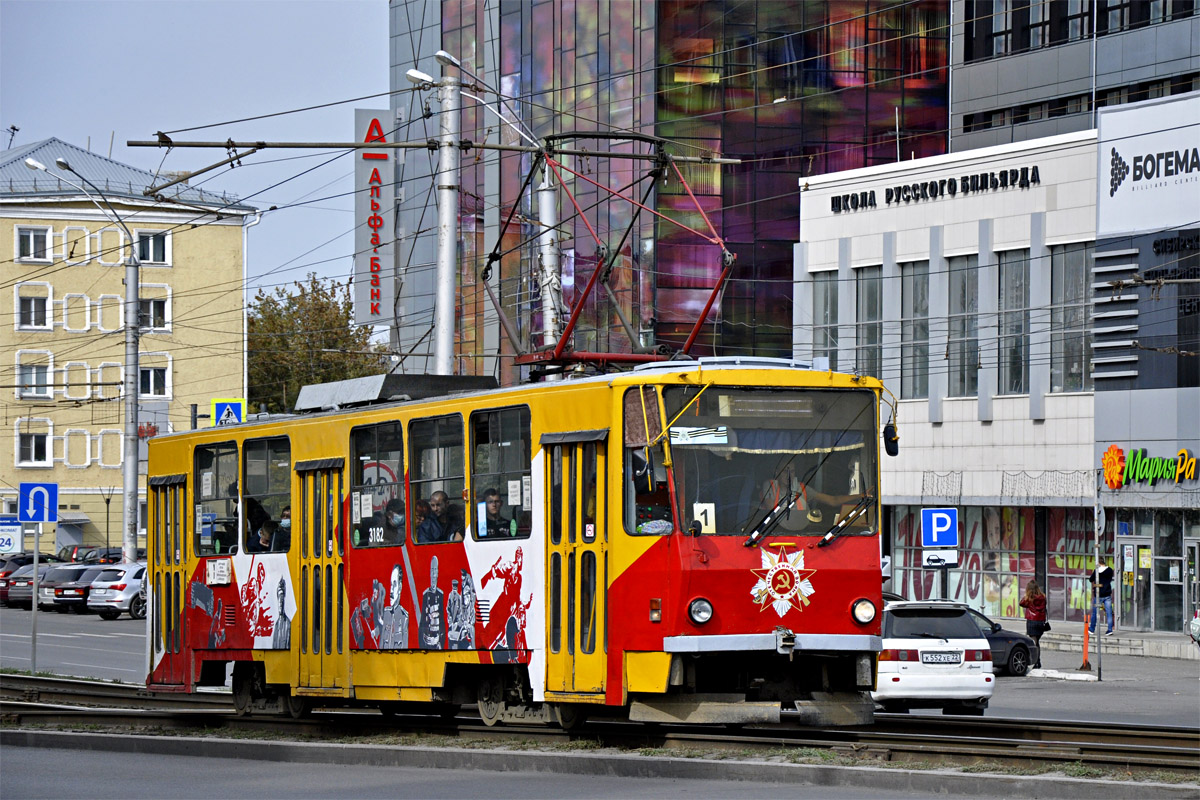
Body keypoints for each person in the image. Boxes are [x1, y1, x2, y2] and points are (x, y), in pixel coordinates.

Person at [379, 563, 409, 649]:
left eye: (394, 585)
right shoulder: (386, 613)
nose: (391, 590)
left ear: (400, 587)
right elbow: (381, 645)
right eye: (391, 584)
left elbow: (405, 648)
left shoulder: (404, 617)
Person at [1019, 579, 1047, 669]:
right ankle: (1038, 661)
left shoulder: (1029, 598)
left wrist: (1026, 595)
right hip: (1040, 622)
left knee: (1034, 643)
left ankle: (1036, 662)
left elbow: (1021, 603)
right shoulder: (1043, 597)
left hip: (1032, 621)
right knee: (1037, 642)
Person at [1089, 558, 1115, 636]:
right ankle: (1110, 629)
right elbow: (1110, 578)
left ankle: (1091, 629)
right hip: (1107, 594)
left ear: (1098, 563)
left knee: (1095, 613)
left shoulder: (1097, 571)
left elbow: (1091, 579)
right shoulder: (1110, 570)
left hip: (1098, 594)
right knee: (1109, 613)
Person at [271, 578, 291, 649]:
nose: (280, 602)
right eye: (279, 598)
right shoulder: (276, 625)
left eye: (282, 598)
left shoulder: (288, 624)